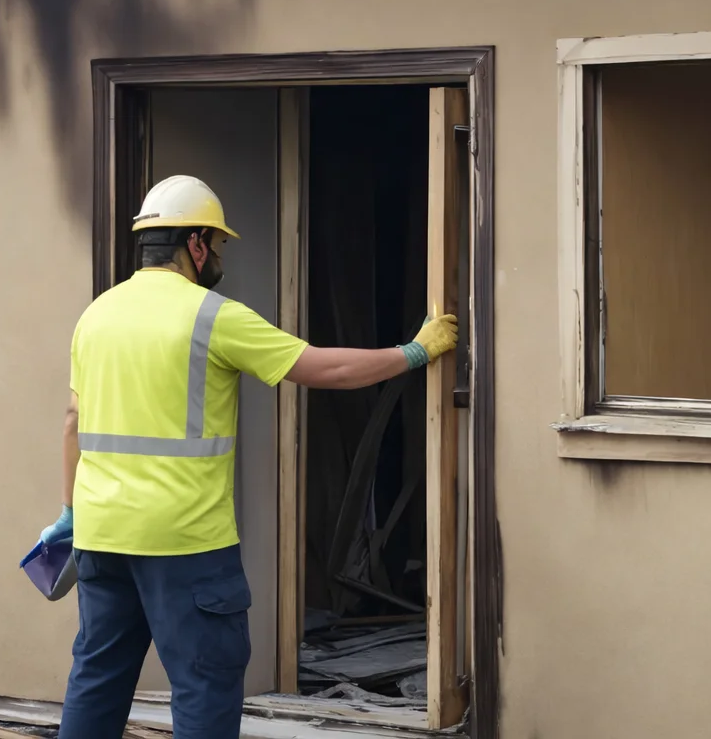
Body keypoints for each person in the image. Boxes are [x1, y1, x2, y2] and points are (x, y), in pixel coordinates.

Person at [41, 174, 457, 739]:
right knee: (205, 685)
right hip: (184, 543)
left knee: (98, 677)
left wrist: (69, 514)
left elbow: (72, 421)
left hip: (100, 538)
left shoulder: (97, 315)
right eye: (218, 244)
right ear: (194, 243)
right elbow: (321, 368)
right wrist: (414, 351)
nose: (220, 257)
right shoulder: (212, 316)